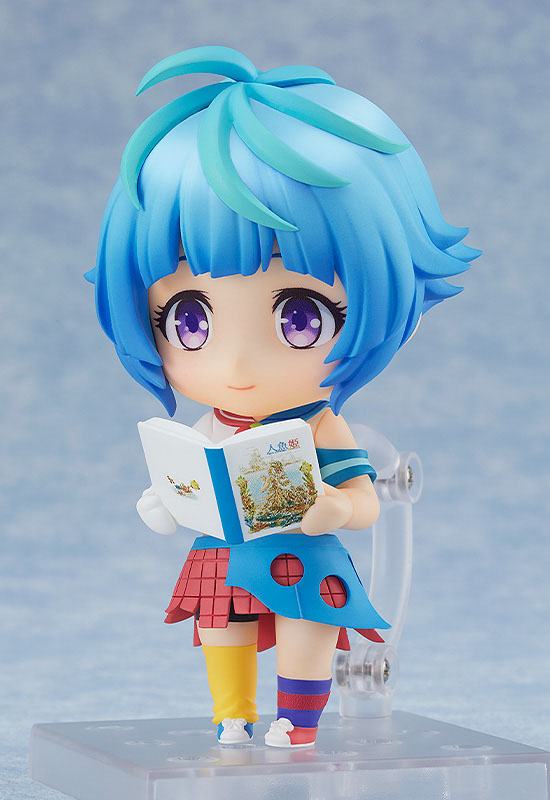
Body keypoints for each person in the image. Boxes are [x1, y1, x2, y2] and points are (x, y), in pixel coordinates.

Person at [87, 45, 478, 747]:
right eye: (190, 321)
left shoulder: (321, 426)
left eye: (301, 318)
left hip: (304, 552)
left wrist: (338, 507)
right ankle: (232, 715)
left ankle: (298, 722)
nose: (236, 363)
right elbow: (189, 477)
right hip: (224, 551)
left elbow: (364, 501)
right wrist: (167, 501)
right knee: (219, 625)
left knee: (308, 628)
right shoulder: (210, 424)